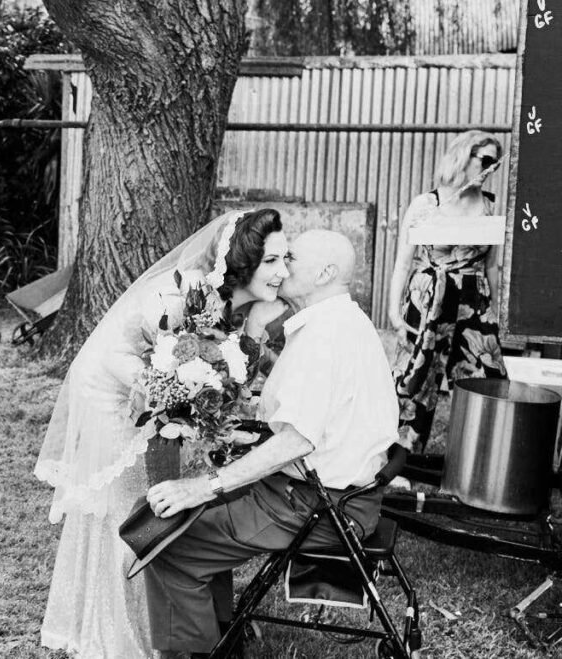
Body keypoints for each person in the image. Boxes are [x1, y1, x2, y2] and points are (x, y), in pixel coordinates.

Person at [35, 209, 290, 659]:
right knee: (126, 505)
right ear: (243, 260)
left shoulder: (241, 305)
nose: (282, 272)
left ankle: (174, 620)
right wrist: (175, 395)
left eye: (285, 260)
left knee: (171, 492)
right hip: (114, 392)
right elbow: (122, 358)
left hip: (165, 396)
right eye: (271, 261)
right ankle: (119, 634)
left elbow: (234, 372)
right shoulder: (179, 294)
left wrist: (210, 399)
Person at [142, 230, 400, 657]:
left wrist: (205, 486)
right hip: (332, 494)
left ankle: (200, 652)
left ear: (325, 273)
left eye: (291, 258)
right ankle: (224, 640)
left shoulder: (326, 336)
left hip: (318, 507)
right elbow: (315, 425)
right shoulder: (343, 321)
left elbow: (297, 441)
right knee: (185, 516)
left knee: (170, 543)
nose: (280, 267)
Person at [387, 130, 508, 451]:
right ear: (462, 156)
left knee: (485, 380)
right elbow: (403, 262)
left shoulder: (490, 207)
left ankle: (480, 460)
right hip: (428, 298)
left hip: (473, 301)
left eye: (495, 163)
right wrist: (394, 313)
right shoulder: (426, 204)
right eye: (485, 160)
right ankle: (399, 460)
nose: (490, 168)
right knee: (415, 381)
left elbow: (492, 267)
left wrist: (496, 313)